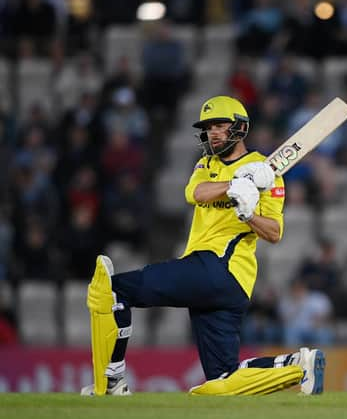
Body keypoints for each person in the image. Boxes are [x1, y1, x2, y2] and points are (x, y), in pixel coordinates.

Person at [81, 96, 325, 396]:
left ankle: (111, 382)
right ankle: (299, 366)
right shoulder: (206, 163)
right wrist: (237, 182)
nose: (213, 133)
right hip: (220, 285)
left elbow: (274, 233)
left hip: (220, 267)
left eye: (220, 126)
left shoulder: (266, 174)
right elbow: (194, 192)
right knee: (220, 383)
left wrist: (248, 213)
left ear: (240, 128)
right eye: (209, 128)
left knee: (114, 290)